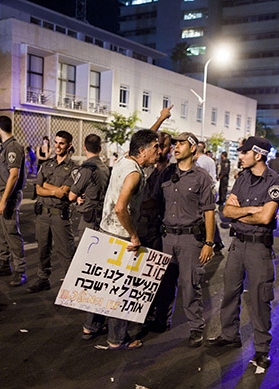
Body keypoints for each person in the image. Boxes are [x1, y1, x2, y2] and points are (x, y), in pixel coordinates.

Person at [207, 137, 279, 369]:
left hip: (259, 247)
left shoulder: (275, 181)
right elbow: (225, 212)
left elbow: (265, 217)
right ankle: (229, 335)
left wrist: (239, 213)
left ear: (258, 155)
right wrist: (251, 209)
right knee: (230, 291)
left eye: (244, 153)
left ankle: (262, 349)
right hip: (238, 244)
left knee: (260, 298)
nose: (239, 156)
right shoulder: (242, 178)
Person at [81, 129, 160, 349]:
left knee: (102, 284)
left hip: (105, 231)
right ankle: (117, 339)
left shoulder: (126, 158)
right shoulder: (133, 174)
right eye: (156, 147)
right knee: (118, 288)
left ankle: (91, 326)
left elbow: (140, 139)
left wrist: (161, 120)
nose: (159, 151)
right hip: (120, 236)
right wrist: (134, 235)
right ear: (143, 152)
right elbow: (120, 207)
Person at [151, 132, 216, 347]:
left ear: (193, 148)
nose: (176, 147)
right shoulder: (167, 173)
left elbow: (209, 211)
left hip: (190, 239)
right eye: (175, 143)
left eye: (181, 144)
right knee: (164, 283)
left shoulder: (202, 178)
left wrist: (208, 243)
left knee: (190, 286)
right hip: (167, 237)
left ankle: (196, 328)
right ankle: (162, 320)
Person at [26, 131, 78, 293]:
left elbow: (64, 192)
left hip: (59, 215)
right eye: (55, 142)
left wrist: (47, 186)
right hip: (43, 214)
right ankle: (43, 279)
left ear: (69, 145)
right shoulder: (46, 164)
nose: (57, 146)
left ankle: (72, 287)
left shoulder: (74, 168)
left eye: (61, 143)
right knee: (43, 248)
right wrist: (53, 191)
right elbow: (38, 189)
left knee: (65, 252)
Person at [0, 115, 27, 286]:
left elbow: (14, 175)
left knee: (11, 233)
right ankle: (4, 264)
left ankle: (19, 270)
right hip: (1, 194)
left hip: (8, 196)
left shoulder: (13, 147)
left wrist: (3, 200)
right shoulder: (4, 147)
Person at [68, 134, 110, 235]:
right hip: (102, 216)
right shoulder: (105, 168)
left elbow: (71, 196)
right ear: (100, 148)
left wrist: (78, 197)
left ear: (84, 147)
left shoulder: (87, 168)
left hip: (89, 220)